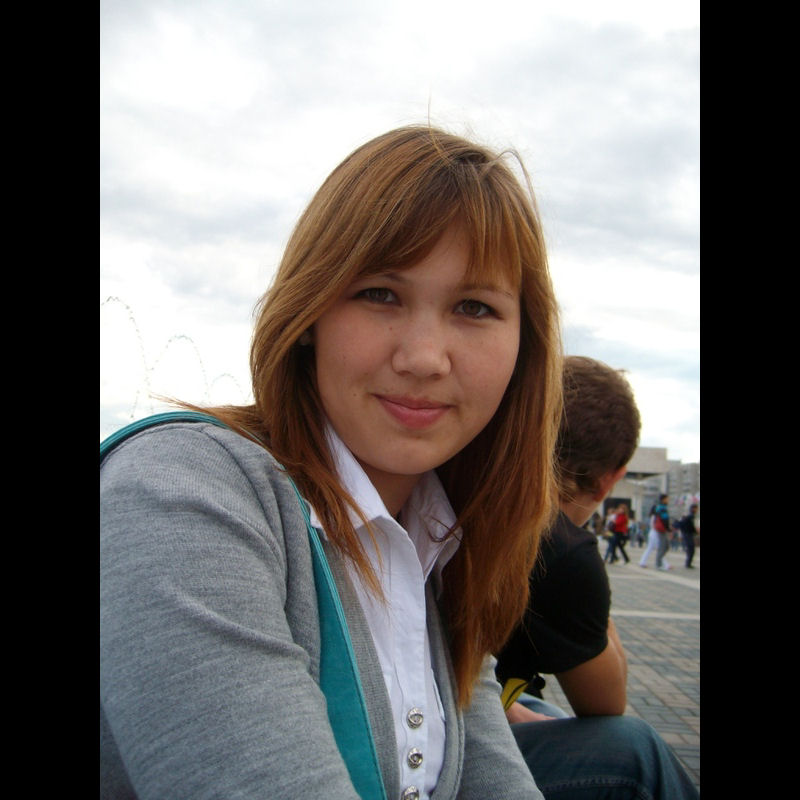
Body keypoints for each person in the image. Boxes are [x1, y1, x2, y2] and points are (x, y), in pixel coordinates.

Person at [101, 126, 564, 799]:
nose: (423, 357)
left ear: (525, 345)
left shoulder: (437, 547)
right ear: (309, 311)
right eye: (380, 294)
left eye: (474, 307)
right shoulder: (180, 493)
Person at [495, 356, 698, 799]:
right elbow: (606, 704)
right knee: (635, 750)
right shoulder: (560, 548)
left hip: (454, 707)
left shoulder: (485, 498)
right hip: (438, 754)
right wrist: (592, 584)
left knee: (538, 709)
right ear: (611, 480)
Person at [639, 494, 671, 570]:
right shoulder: (657, 514)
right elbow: (661, 522)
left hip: (654, 532)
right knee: (660, 548)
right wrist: (667, 528)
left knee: (654, 548)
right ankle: (661, 564)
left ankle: (643, 562)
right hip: (655, 533)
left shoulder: (653, 516)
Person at [679, 504, 699, 568]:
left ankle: (688, 563)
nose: (697, 510)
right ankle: (688, 564)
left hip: (687, 534)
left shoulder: (689, 516)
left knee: (690, 549)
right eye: (696, 508)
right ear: (693, 509)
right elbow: (692, 526)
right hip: (688, 534)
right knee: (691, 549)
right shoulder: (691, 516)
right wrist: (696, 532)